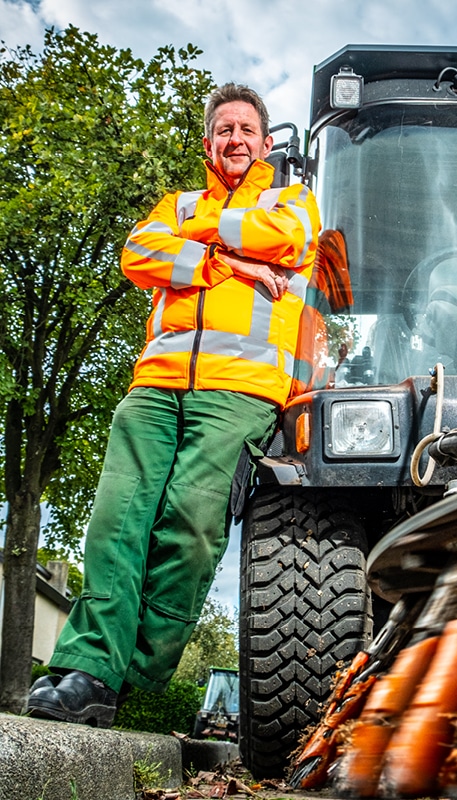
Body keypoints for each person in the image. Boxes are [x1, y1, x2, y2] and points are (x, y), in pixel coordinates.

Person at [26, 83, 321, 727]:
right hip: (154, 386)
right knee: (116, 521)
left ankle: (130, 675)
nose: (235, 139)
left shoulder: (292, 199)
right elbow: (139, 253)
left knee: (189, 527)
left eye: (247, 130)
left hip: (239, 393)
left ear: (265, 144)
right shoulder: (176, 201)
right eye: (224, 130)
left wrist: (204, 238)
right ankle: (88, 667)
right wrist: (236, 265)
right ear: (210, 142)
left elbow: (285, 237)